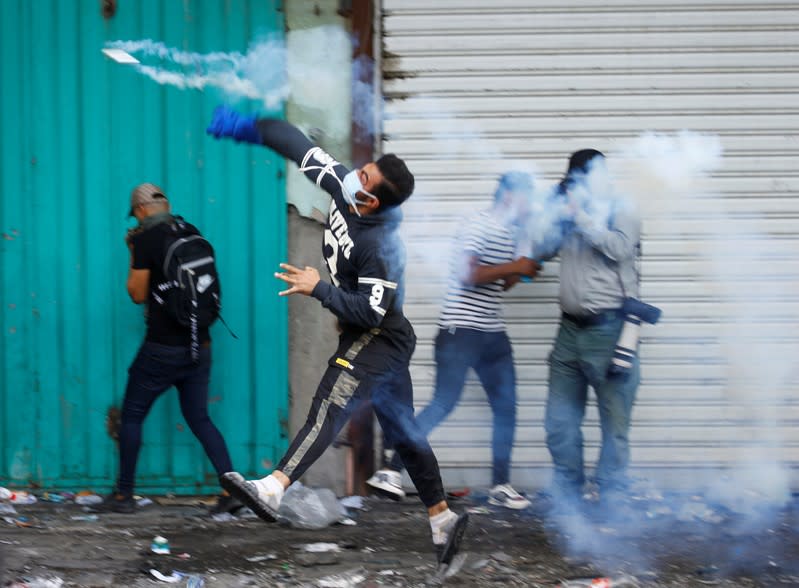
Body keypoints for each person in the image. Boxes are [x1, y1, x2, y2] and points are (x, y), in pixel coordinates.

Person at [206, 106, 468, 565]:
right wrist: (250, 129)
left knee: (331, 401)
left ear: (372, 201)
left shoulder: (382, 248)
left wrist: (319, 288)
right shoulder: (345, 186)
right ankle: (443, 518)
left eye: (363, 177)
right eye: (360, 170)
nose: (352, 175)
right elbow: (295, 143)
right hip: (374, 336)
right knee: (405, 434)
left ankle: (271, 488)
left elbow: (372, 311)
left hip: (379, 338)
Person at [367, 172, 540, 509]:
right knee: (444, 403)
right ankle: (390, 470)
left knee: (506, 407)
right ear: (507, 196)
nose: (530, 205)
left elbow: (501, 284)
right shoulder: (479, 224)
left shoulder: (516, 233)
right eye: (525, 197)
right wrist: (515, 265)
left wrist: (522, 270)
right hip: (460, 330)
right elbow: (468, 274)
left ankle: (501, 485)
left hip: (491, 331)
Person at [101, 183, 239, 515]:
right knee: (200, 418)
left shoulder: (145, 240)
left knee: (132, 415)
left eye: (135, 213)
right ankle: (232, 490)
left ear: (142, 210)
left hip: (163, 348)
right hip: (199, 344)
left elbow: (136, 293)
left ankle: (123, 496)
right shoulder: (191, 231)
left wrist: (133, 250)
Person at [541, 149, 642, 509]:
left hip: (610, 331)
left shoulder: (621, 208)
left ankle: (611, 500)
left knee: (614, 426)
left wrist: (580, 217)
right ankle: (570, 499)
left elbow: (621, 249)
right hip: (568, 333)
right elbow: (540, 250)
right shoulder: (569, 211)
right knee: (559, 422)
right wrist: (548, 216)